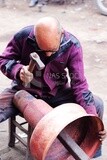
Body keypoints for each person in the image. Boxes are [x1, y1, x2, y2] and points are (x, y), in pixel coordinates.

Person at [0, 16, 106, 158]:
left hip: (56, 92)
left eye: (52, 50)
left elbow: (79, 83)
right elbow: (4, 59)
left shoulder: (72, 45)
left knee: (96, 104)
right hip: (23, 90)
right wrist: (18, 71)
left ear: (61, 34)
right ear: (35, 36)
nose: (48, 54)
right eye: (42, 50)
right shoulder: (24, 36)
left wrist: (92, 119)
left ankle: (91, 152)